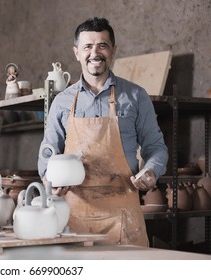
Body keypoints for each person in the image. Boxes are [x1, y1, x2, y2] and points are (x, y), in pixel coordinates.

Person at [37, 17, 168, 246]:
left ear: (113, 50)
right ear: (76, 52)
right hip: (73, 220)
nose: (94, 53)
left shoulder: (136, 96)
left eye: (102, 45)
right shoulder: (62, 102)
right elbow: (48, 153)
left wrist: (151, 171)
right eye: (87, 46)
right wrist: (50, 180)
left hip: (123, 218)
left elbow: (155, 147)